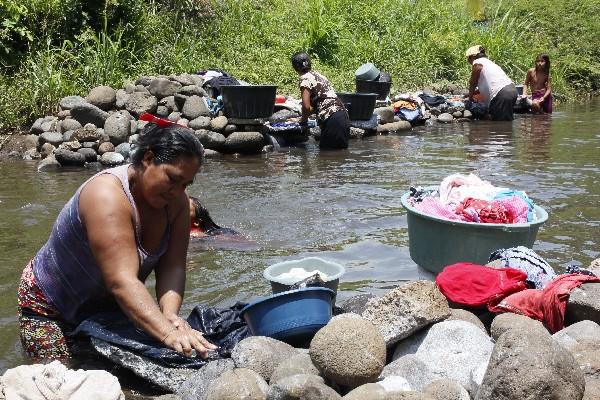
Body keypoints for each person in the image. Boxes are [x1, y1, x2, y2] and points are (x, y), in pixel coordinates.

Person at [17, 114, 217, 361]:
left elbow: (173, 266)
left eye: (186, 184)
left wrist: (171, 317)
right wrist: (168, 335)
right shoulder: (106, 196)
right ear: (148, 159)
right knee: (58, 378)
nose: (178, 191)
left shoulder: (176, 204)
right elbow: (122, 282)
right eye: (173, 179)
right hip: (49, 308)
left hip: (108, 306)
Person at [291, 52, 350, 150]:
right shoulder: (320, 76)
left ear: (295, 67)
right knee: (340, 156)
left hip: (332, 119)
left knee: (326, 157)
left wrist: (302, 120)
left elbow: (306, 107)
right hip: (343, 116)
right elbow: (318, 105)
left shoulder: (304, 78)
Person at [466, 45, 518, 121]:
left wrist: (470, 99)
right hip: (512, 91)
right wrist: (474, 92)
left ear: (472, 57)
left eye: (468, 59)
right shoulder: (489, 63)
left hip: (501, 94)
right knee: (505, 120)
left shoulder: (477, 63)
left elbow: (473, 83)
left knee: (501, 125)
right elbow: (491, 83)